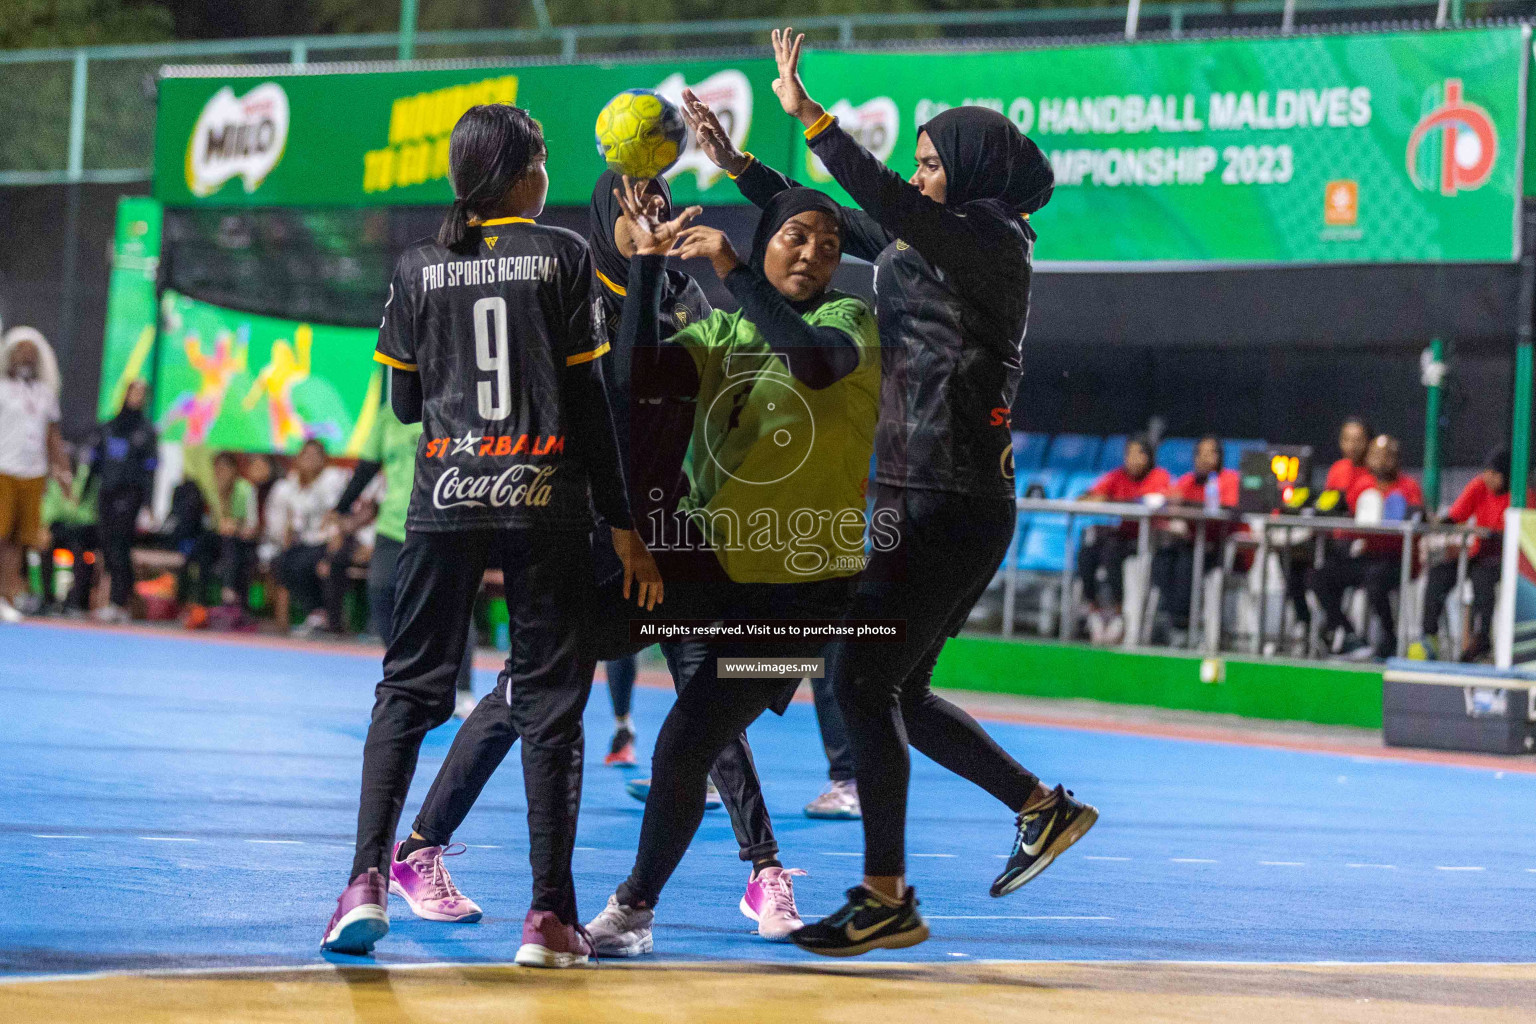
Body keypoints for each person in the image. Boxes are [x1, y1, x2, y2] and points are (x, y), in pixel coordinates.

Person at [678, 29, 1094, 958]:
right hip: (931, 493)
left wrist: (811, 117)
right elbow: (852, 223)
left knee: (858, 680)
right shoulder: (941, 241)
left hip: (942, 494)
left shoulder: (989, 241)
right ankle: (1040, 808)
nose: (918, 175)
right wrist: (745, 167)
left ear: (975, 172)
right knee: (894, 691)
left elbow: (878, 199)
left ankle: (886, 894)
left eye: (931, 161)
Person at [322, 103, 653, 970]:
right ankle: (548, 919)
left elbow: (404, 402)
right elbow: (588, 410)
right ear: (521, 174)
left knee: (408, 689)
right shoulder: (564, 256)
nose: (546, 176)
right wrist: (625, 527)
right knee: (550, 707)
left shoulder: (420, 265)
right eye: (541, 160)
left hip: (444, 498)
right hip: (546, 501)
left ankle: (362, 883)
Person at [577, 178, 879, 957]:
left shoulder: (851, 321)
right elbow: (633, 383)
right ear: (770, 237)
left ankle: (636, 906)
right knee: (567, 642)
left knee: (687, 739)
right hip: (714, 571)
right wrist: (644, 264)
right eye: (796, 236)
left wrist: (734, 268)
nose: (813, 252)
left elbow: (812, 364)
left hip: (805, 598)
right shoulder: (717, 338)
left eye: (830, 243)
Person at [332, 382, 477, 718]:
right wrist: (341, 507)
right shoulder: (388, 418)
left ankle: (463, 688)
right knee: (381, 591)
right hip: (393, 524)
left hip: (442, 523)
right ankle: (406, 675)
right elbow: (366, 468)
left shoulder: (455, 409)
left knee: (454, 606)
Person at [1308, 434, 1424, 660]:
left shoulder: (1409, 487)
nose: (1382, 461)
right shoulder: (1362, 485)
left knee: (1376, 580)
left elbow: (1418, 521)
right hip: (1366, 555)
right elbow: (1349, 519)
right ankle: (1349, 634)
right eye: (1376, 456)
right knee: (1318, 577)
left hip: (1397, 560)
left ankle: (1389, 637)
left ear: (1397, 459)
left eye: (1388, 456)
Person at [1416, 446, 1520, 663]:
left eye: (1495, 474)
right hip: (1475, 555)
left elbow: (1508, 535)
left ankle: (1481, 640)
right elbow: (1454, 517)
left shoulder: (1520, 495)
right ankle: (1429, 636)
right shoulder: (1479, 486)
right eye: (1487, 472)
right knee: (1438, 576)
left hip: (1501, 560)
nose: (1488, 478)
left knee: (1483, 584)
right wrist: (1430, 521)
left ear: (1507, 476)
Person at [0, 329, 68, 621]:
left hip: (33, 474)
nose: (25, 355)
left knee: (19, 540)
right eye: (20, 349)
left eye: (31, 350)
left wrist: (62, 470)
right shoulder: (1, 387)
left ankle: (6, 596)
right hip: (3, 469)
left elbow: (52, 435)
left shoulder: (45, 393)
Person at [1076, 434, 1169, 644]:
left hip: (1146, 541)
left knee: (1111, 553)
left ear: (1149, 457)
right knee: (1087, 552)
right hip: (1119, 536)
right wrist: (1096, 497)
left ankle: (1119, 612)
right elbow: (1086, 496)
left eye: (1139, 454)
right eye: (1129, 454)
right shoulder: (1117, 476)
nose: (1133, 459)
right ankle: (1095, 609)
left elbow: (1153, 503)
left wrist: (1110, 500)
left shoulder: (1159, 476)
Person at [1150, 435, 1239, 642]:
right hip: (1188, 543)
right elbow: (1169, 503)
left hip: (1218, 549)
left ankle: (1183, 626)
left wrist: (1186, 505)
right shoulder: (1188, 480)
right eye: (1200, 453)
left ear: (1220, 457)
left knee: (1186, 564)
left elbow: (1227, 509)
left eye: (1211, 453)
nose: (1205, 458)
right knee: (1162, 561)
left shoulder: (1229, 479)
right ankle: (1172, 621)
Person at [88, 379, 157, 624]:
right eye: (133, 392)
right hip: (107, 493)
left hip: (130, 496)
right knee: (107, 545)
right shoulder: (108, 427)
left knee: (120, 547)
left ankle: (120, 602)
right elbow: (94, 465)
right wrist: (83, 495)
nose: (136, 397)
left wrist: (148, 504)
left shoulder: (147, 432)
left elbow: (150, 471)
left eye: (141, 393)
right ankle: (117, 600)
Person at [266, 438, 348, 634]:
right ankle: (313, 613)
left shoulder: (332, 479)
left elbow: (338, 516)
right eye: (306, 455)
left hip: (331, 541)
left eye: (315, 456)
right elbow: (293, 521)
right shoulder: (292, 485)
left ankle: (331, 620)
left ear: (324, 460)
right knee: (283, 561)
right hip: (306, 542)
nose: (310, 460)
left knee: (321, 565)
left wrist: (333, 546)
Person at [39, 445, 99, 614]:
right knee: (45, 545)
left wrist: (71, 510)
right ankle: (48, 599)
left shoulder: (87, 475)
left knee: (81, 551)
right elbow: (50, 509)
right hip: (62, 526)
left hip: (82, 527)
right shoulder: (54, 478)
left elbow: (86, 509)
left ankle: (75, 601)